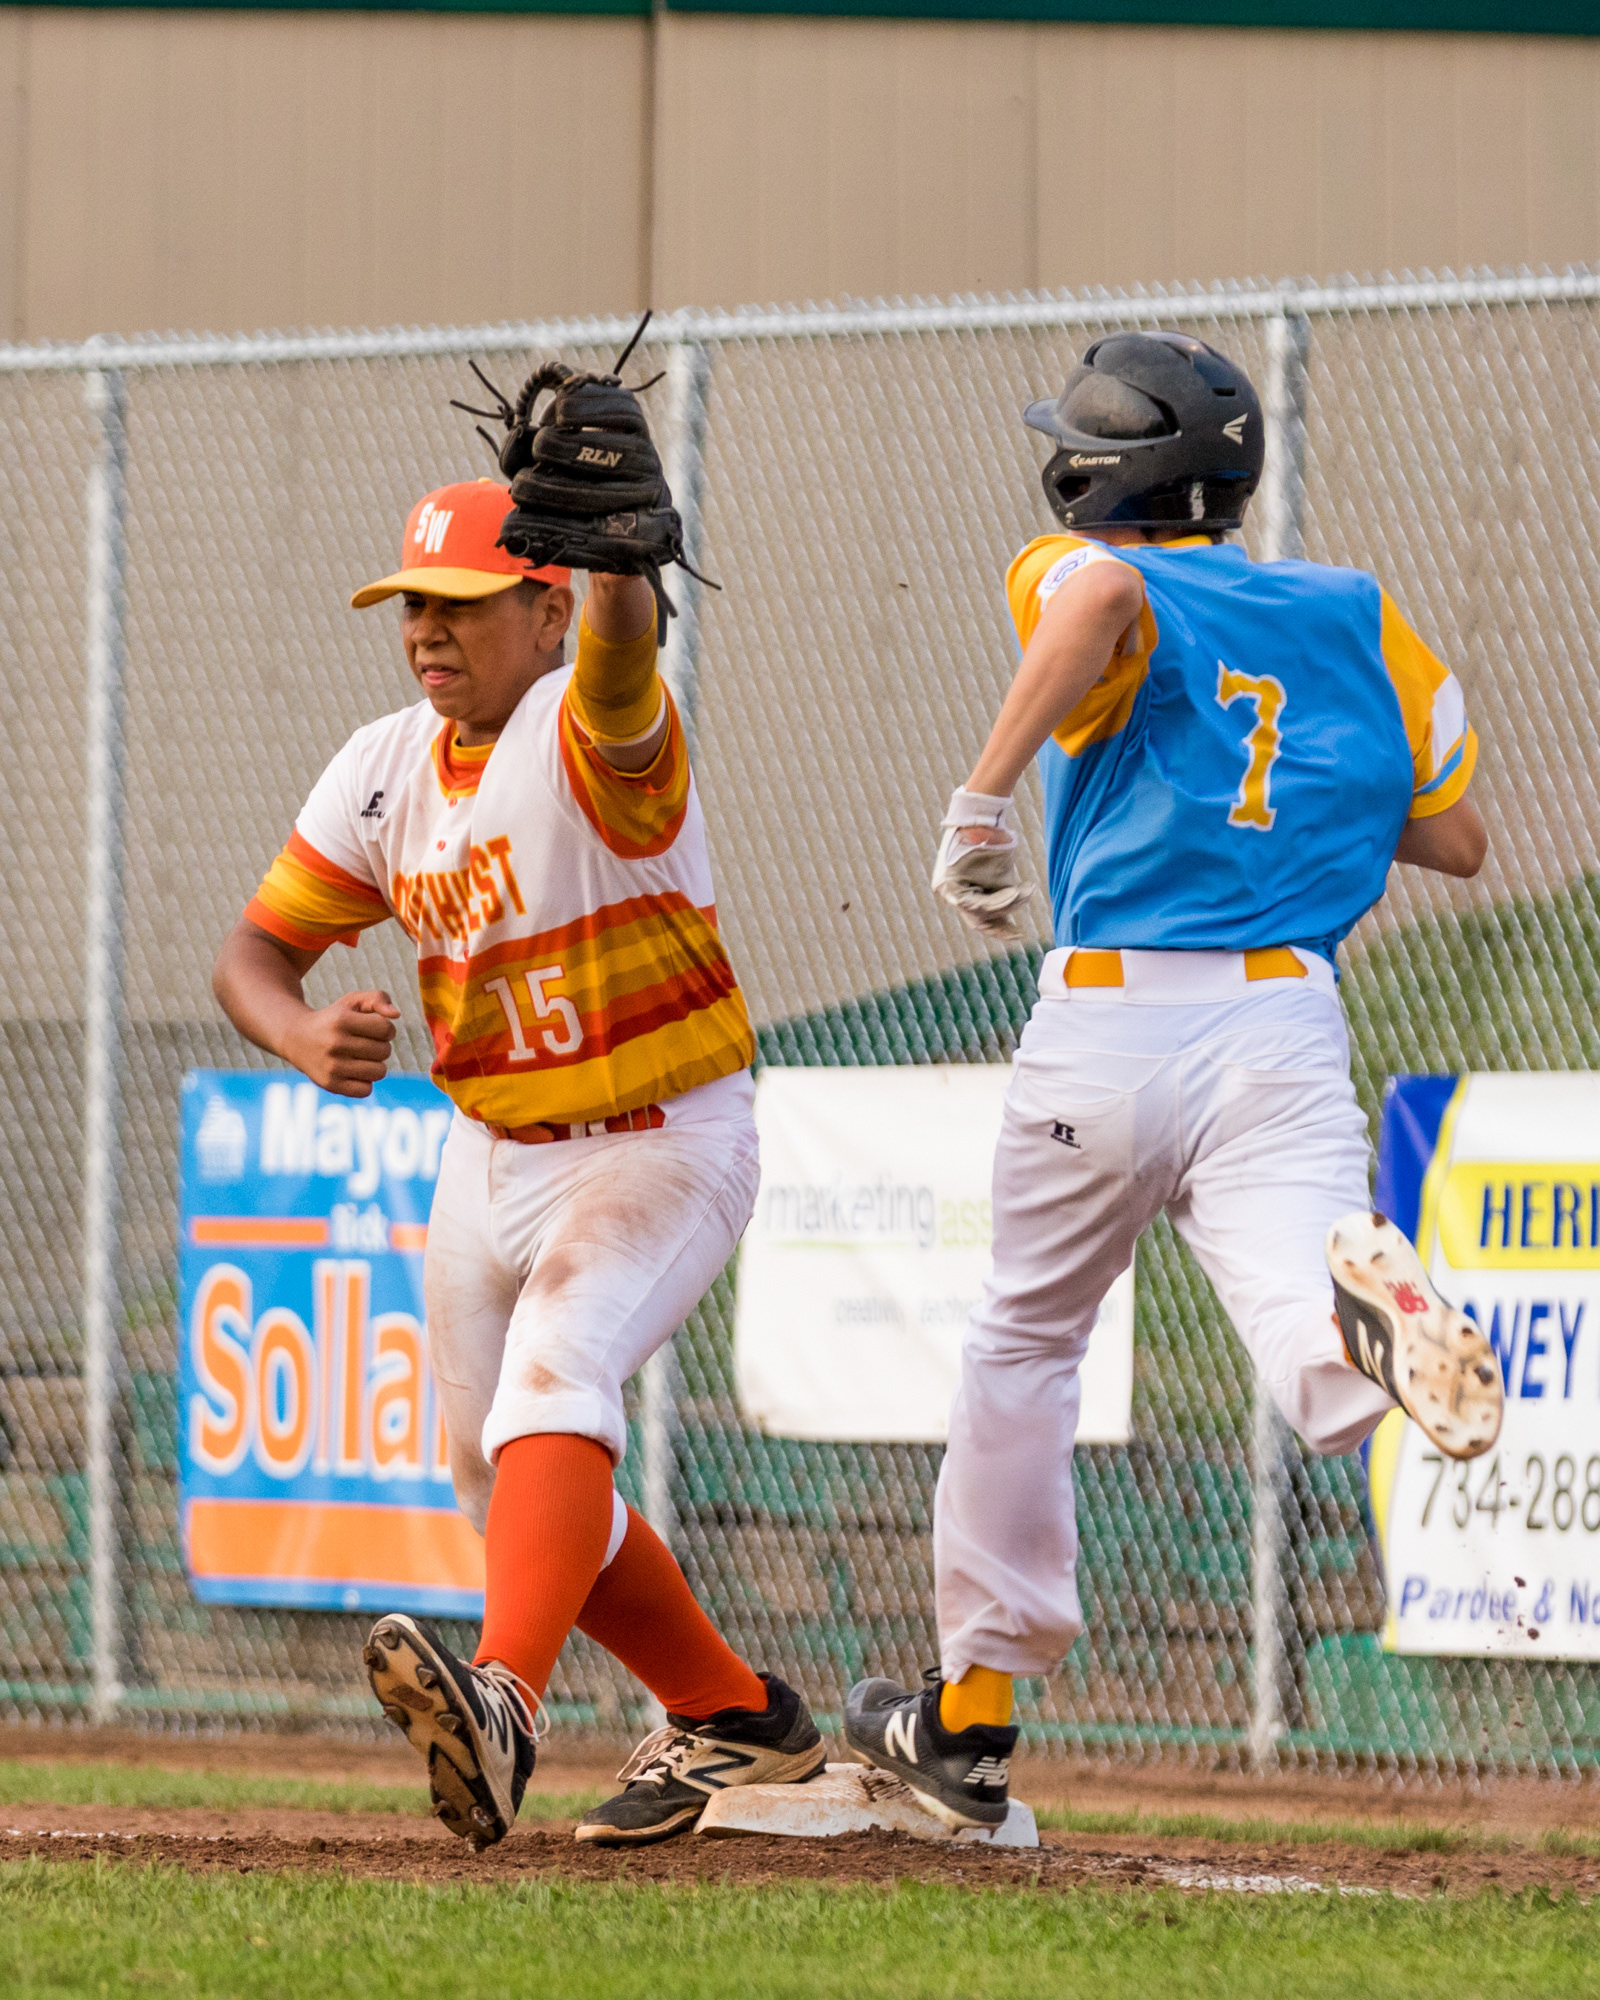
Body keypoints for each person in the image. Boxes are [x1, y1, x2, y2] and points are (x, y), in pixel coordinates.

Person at [841, 331, 1503, 1831]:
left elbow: (1103, 599)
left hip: (1115, 1012)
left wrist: (982, 796)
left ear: (1097, 471)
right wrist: (1270, 801)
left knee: (1025, 1341)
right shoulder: (1359, 616)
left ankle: (974, 1721)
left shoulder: (1083, 571)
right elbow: (1459, 838)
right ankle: (1372, 1316)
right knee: (1301, 1325)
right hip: (1283, 1019)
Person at [213, 476, 823, 1849]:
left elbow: (622, 653)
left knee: (557, 1377)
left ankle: (504, 1709)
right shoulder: (383, 765)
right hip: (486, 1154)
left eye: (464, 605)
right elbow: (250, 956)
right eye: (412, 604)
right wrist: (302, 1027)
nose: (428, 630)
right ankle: (737, 1720)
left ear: (544, 611)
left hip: (660, 1138)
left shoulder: (592, 719)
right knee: (510, 1478)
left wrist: (614, 566)